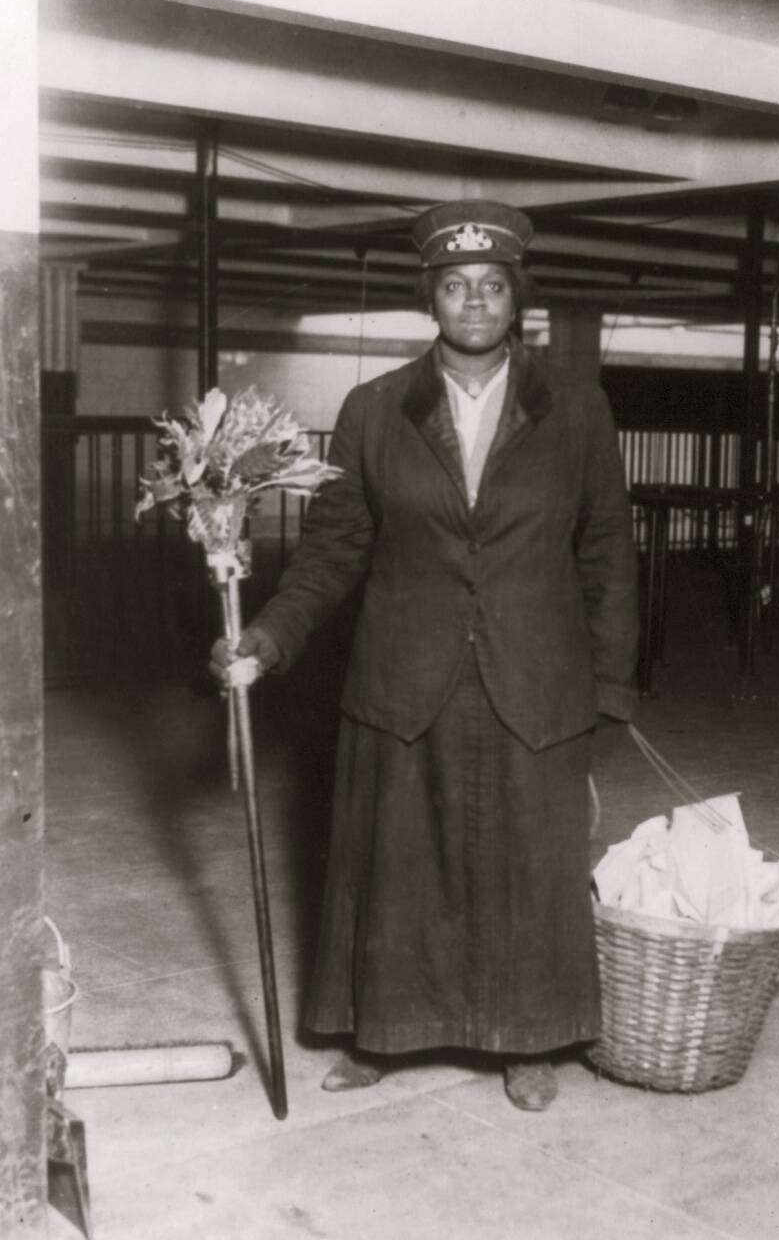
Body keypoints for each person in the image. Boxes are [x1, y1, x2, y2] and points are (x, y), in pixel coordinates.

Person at [210, 199, 640, 1111]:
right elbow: (332, 552)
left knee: (529, 860)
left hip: (537, 674)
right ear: (430, 299)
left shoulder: (576, 408)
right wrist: (267, 638)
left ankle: (529, 1039)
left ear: (515, 297)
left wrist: (607, 691)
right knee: (398, 862)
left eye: (491, 285)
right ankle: (384, 1033)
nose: (474, 301)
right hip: (405, 674)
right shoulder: (373, 410)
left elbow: (607, 555)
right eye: (455, 286)